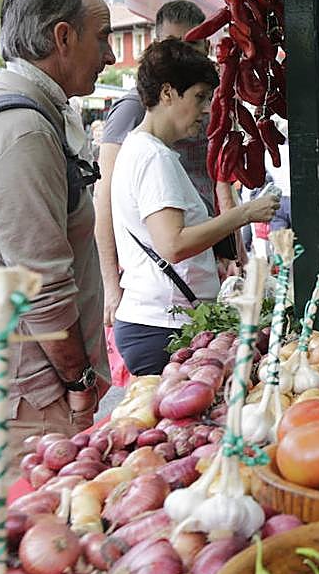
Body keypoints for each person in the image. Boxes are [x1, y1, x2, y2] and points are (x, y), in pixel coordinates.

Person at [0, 0, 115, 518]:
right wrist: (79, 380)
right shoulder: (23, 133)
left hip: (22, 390)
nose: (110, 54)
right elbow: (41, 289)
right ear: (63, 38)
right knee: (14, 558)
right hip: (28, 399)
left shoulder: (12, 113)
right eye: (103, 35)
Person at [110, 39, 280, 376]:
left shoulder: (144, 149)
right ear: (168, 93)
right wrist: (243, 214)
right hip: (161, 327)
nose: (206, 110)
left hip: (159, 321)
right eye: (200, 97)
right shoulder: (153, 157)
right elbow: (173, 244)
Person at [95, 0, 227, 329]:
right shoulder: (133, 113)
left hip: (196, 264)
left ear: (206, 45)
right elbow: (105, 197)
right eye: (172, 47)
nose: (181, 56)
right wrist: (112, 286)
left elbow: (219, 179)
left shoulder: (206, 104)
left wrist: (227, 251)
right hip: (160, 288)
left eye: (191, 46)